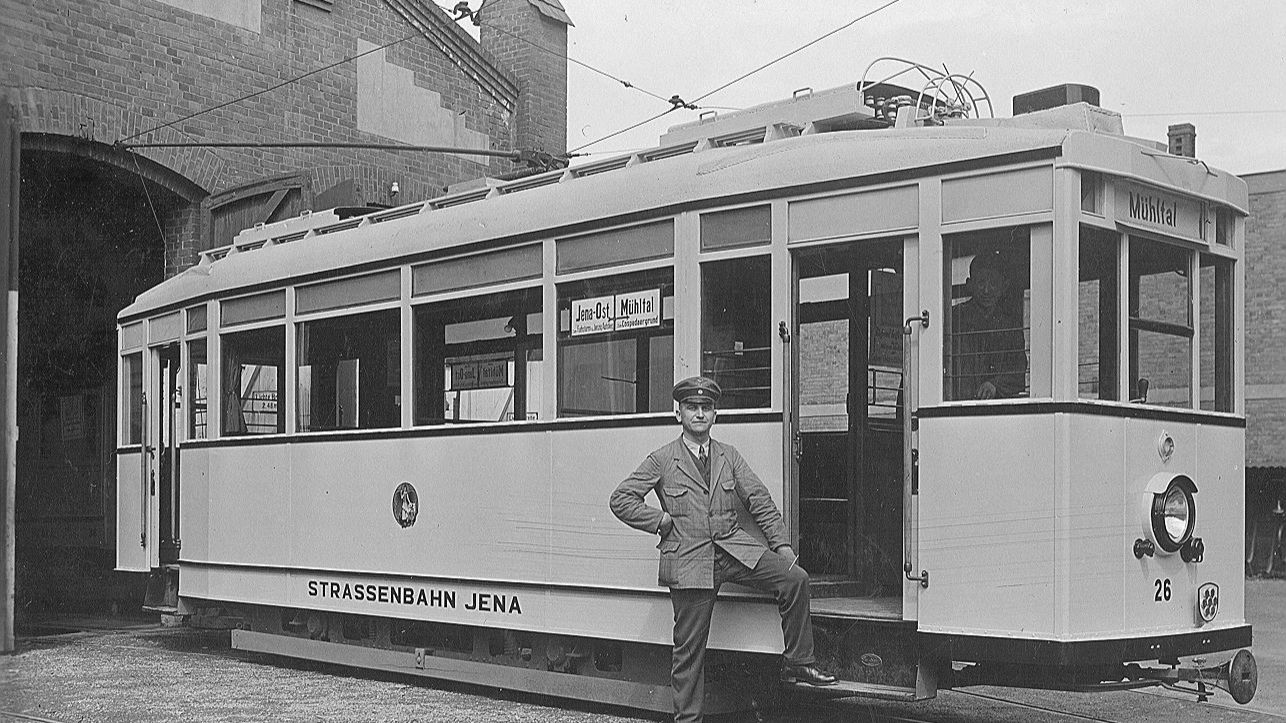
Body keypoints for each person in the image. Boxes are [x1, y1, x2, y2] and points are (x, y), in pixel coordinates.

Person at [609, 376, 836, 723]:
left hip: (733, 551)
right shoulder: (662, 459)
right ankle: (688, 720)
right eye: (692, 408)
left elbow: (759, 500)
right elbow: (621, 500)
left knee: (795, 579)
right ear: (678, 413)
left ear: (715, 414)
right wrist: (661, 520)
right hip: (688, 562)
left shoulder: (729, 456)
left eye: (706, 408)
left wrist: (782, 545)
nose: (699, 414)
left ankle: (799, 663)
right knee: (689, 653)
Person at [950, 250, 1027, 400]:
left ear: (1004, 286)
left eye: (993, 283)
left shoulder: (1010, 326)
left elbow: (1018, 372)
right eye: (981, 283)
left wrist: (995, 385)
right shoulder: (955, 319)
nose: (986, 290)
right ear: (969, 284)